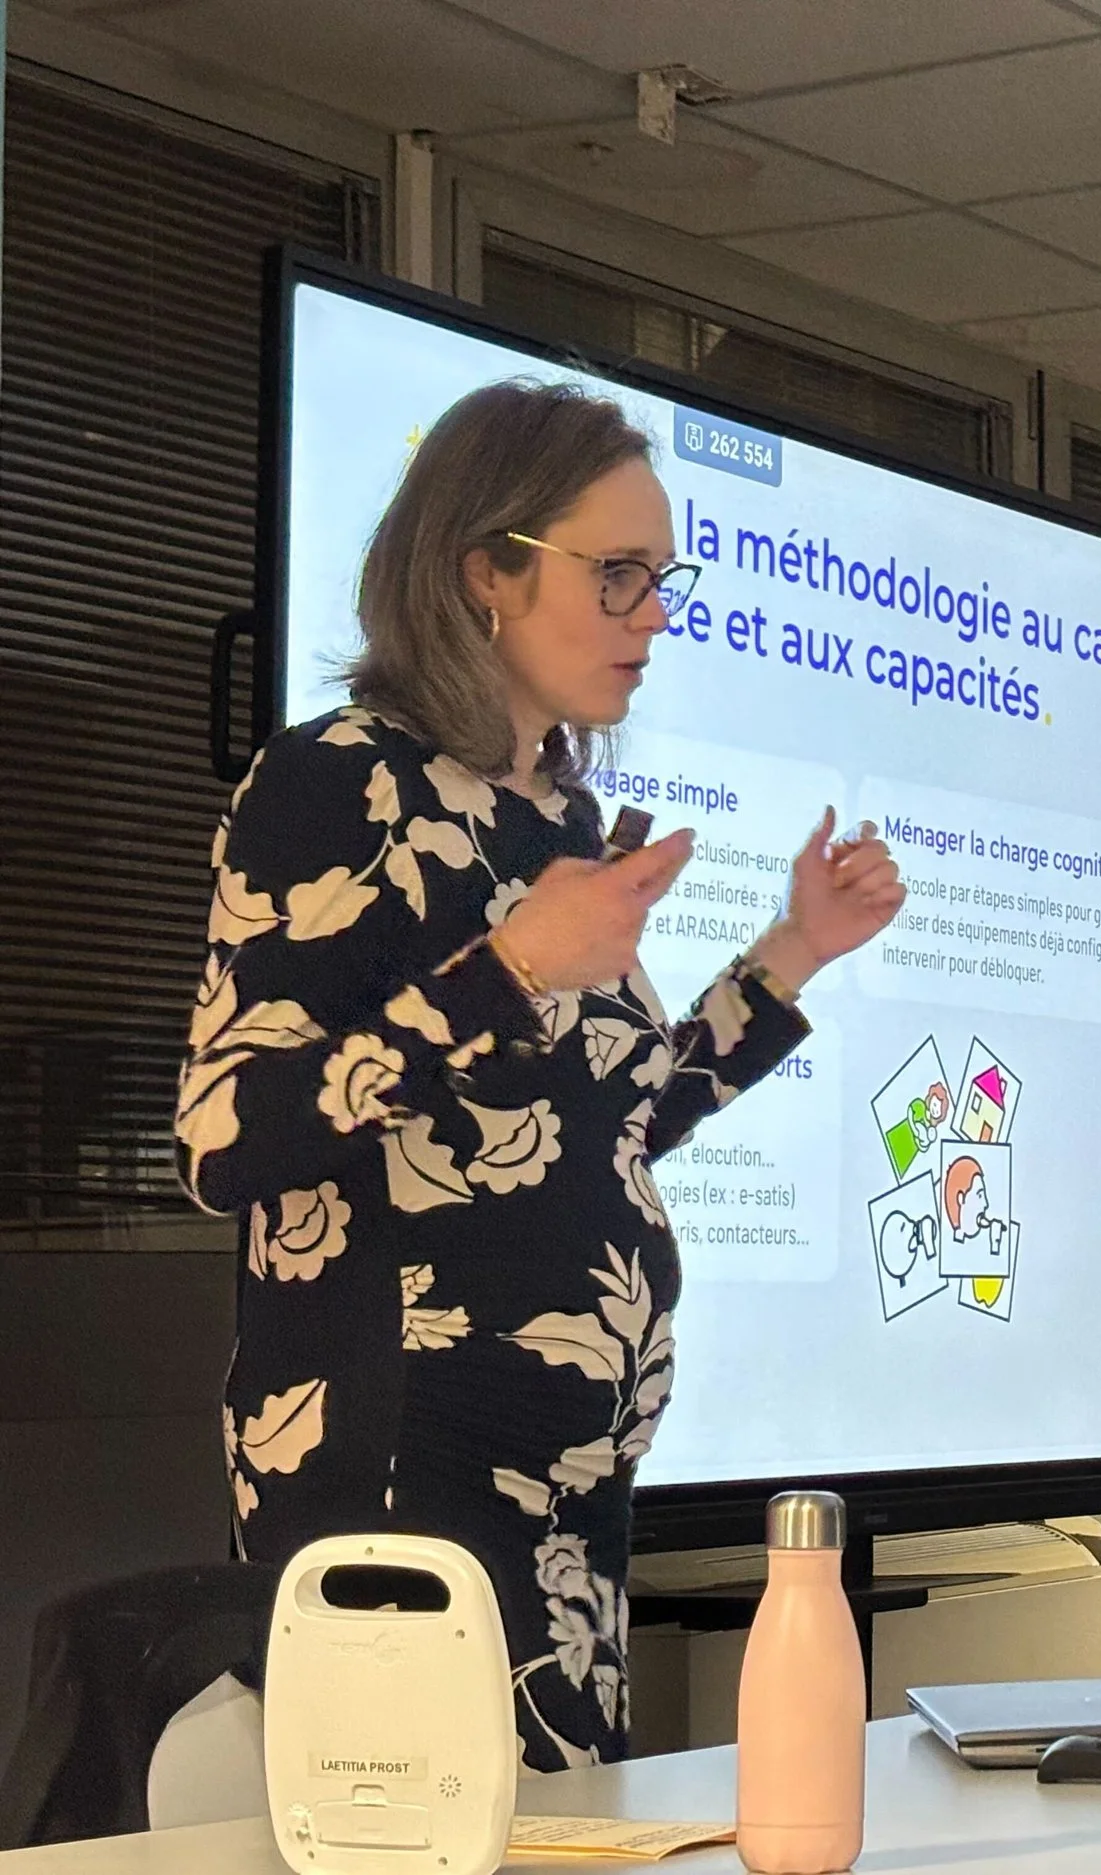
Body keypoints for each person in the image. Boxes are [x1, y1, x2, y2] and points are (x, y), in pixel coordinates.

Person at [174, 381, 905, 1769]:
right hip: (404, 1477)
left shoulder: (551, 816)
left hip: (572, 1494)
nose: (655, 613)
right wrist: (507, 968)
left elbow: (607, 1124)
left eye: (664, 577)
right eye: (616, 572)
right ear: (484, 572)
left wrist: (794, 951)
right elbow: (225, 1136)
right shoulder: (337, 783)